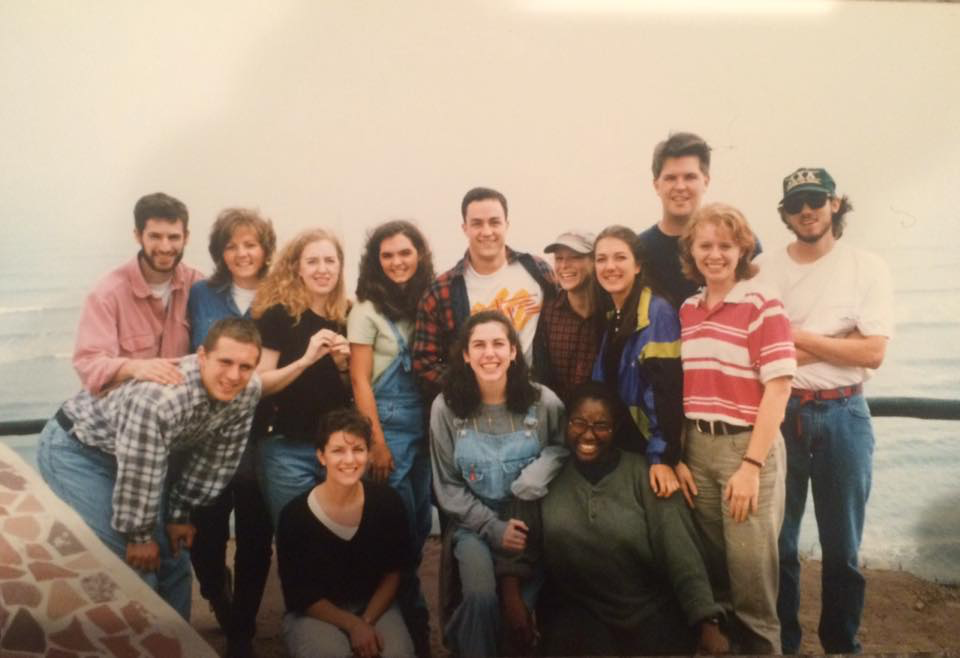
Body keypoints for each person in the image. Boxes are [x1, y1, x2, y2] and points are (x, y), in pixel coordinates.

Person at [36, 318, 263, 620]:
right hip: (78, 452)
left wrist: (179, 515)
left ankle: (178, 641)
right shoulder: (160, 399)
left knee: (175, 560)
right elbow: (140, 466)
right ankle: (143, 639)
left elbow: (216, 459)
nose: (234, 376)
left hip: (135, 459)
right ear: (202, 356)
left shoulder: (248, 391)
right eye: (225, 362)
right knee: (136, 565)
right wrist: (140, 536)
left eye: (245, 367)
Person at [755, 168, 893, 654]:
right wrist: (839, 340)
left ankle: (841, 645)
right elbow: (760, 350)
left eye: (816, 200)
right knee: (780, 545)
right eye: (796, 204)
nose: (806, 211)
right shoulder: (764, 269)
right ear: (785, 213)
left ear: (835, 204)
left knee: (843, 550)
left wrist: (793, 336)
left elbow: (873, 352)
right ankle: (784, 646)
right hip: (781, 413)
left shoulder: (866, 266)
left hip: (845, 415)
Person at [498, 381, 729, 656]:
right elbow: (517, 542)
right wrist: (512, 599)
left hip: (648, 609)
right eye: (578, 423)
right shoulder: (547, 475)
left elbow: (681, 552)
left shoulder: (644, 474)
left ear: (616, 428)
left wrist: (707, 622)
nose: (588, 434)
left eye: (601, 426)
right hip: (580, 612)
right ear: (566, 424)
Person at [677, 203, 796, 654]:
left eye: (725, 246)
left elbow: (779, 388)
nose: (715, 255)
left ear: (743, 249)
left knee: (752, 587)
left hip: (747, 449)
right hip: (699, 448)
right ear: (691, 251)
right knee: (717, 582)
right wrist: (681, 456)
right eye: (705, 245)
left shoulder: (761, 304)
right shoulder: (688, 309)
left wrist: (750, 466)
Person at [429, 310, 566, 657]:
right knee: (480, 597)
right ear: (465, 354)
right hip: (473, 525)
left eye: (498, 344)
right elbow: (447, 485)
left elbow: (564, 446)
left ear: (513, 351)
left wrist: (536, 475)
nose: (489, 353)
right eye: (479, 345)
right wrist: (491, 527)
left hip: (529, 524)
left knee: (516, 615)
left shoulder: (543, 401)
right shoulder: (445, 408)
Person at [186, 208, 276, 657]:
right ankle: (216, 592)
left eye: (250, 244)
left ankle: (241, 631)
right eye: (231, 245)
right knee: (205, 535)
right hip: (207, 433)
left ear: (265, 248)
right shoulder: (200, 294)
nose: (242, 253)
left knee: (255, 538)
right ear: (220, 252)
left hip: (263, 433)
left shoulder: (281, 293)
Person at [348, 220, 435, 656]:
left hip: (425, 429)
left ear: (419, 255)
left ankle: (405, 617)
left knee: (419, 525)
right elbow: (360, 382)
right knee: (395, 534)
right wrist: (376, 443)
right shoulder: (365, 310)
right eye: (387, 255)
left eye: (405, 252)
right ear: (375, 261)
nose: (397, 262)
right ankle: (407, 625)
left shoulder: (427, 302)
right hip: (388, 429)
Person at [277, 408, 416, 658]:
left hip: (375, 606)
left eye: (358, 449)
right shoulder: (295, 516)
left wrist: (366, 622)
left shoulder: (387, 502)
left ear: (368, 454)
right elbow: (300, 594)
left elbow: (394, 573)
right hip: (317, 612)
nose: (349, 460)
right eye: (338, 451)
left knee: (398, 654)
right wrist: (353, 626)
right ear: (321, 456)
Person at [413, 186, 555, 403]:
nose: (487, 232)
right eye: (477, 223)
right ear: (465, 228)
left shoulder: (537, 270)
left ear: (507, 225)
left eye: (494, 222)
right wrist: (470, 389)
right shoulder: (442, 290)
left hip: (535, 398)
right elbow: (424, 361)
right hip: (475, 406)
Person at [251, 228, 353, 525]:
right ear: (297, 268)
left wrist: (342, 366)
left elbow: (348, 389)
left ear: (340, 266)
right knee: (297, 535)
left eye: (330, 261)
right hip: (287, 447)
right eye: (312, 261)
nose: (323, 269)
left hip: (336, 448)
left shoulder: (346, 315)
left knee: (338, 535)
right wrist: (305, 361)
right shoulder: (277, 315)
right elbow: (259, 385)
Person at [73, 191, 203, 394]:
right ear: (138, 235)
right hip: (120, 407)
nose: (165, 247)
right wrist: (134, 368)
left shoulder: (198, 286)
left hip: (178, 405)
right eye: (155, 236)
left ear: (186, 237)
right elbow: (88, 364)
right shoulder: (107, 294)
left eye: (174, 237)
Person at [591, 225, 684, 498]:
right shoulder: (615, 315)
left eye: (620, 257)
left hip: (649, 452)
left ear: (638, 265)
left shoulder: (657, 313)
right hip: (625, 446)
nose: (610, 267)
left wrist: (662, 458)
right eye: (601, 259)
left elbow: (666, 392)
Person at [637, 132, 713, 306]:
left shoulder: (737, 244)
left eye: (689, 177)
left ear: (706, 182)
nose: (680, 186)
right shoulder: (638, 251)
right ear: (656, 185)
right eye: (670, 178)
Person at [539, 229, 601, 404]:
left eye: (575, 257)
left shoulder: (612, 313)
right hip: (559, 413)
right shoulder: (548, 313)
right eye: (559, 258)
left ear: (594, 261)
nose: (564, 265)